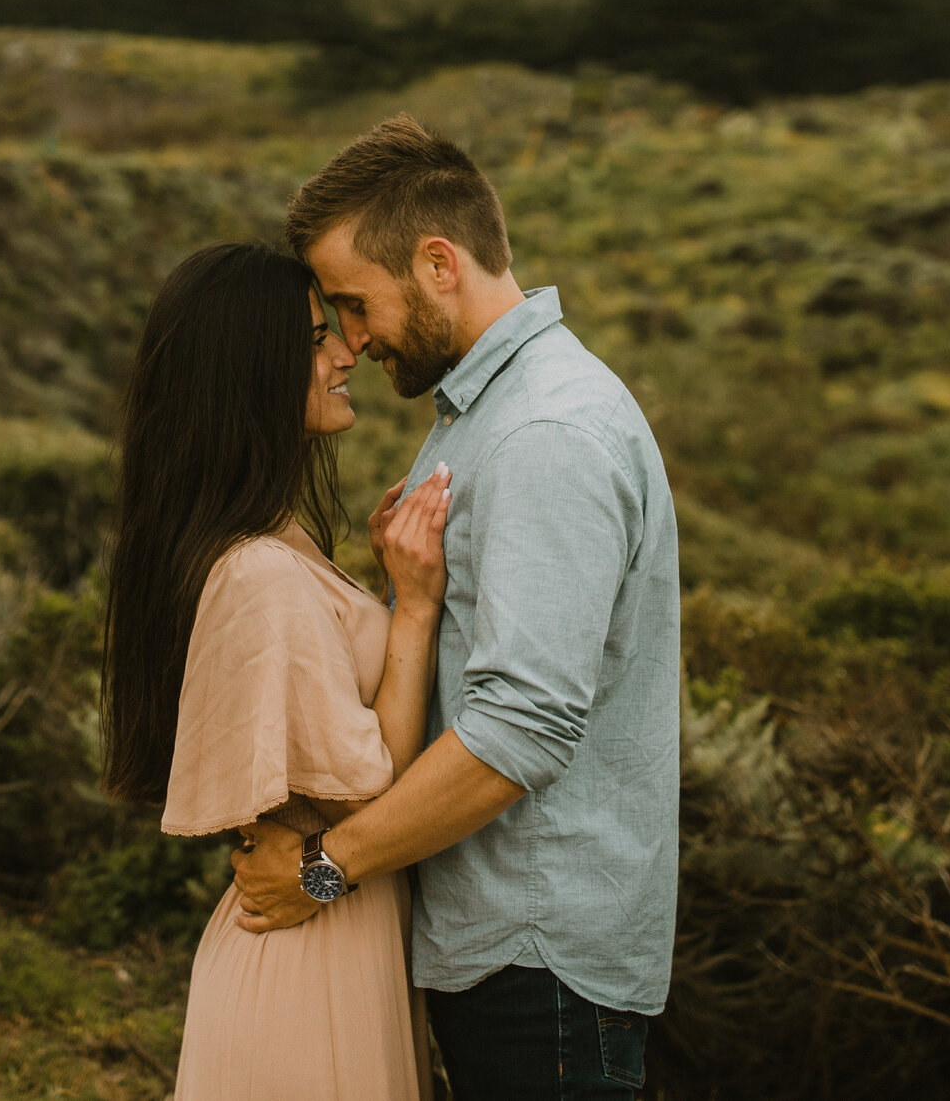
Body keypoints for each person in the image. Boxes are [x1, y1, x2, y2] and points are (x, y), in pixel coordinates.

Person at [232, 115, 682, 1100]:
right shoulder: (483, 416)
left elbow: (520, 727)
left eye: (354, 302)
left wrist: (322, 867)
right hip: (502, 951)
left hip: (542, 967)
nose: (349, 337)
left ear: (438, 262)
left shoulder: (544, 434)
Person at [101, 240, 454, 1099]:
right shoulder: (257, 570)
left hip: (329, 939)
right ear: (246, 370)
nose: (345, 350)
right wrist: (411, 606)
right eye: (312, 338)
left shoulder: (270, 540)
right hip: (306, 971)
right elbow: (377, 792)